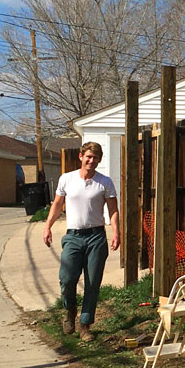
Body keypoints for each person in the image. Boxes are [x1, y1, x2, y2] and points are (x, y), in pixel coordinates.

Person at [43, 141, 121, 342]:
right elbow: (57, 204)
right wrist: (47, 226)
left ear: (99, 160)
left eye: (95, 158)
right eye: (88, 156)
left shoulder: (105, 182)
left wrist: (116, 232)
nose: (91, 161)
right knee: (66, 278)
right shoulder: (66, 179)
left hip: (96, 237)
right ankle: (70, 312)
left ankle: (85, 325)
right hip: (73, 237)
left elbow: (113, 209)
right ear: (81, 157)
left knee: (93, 282)